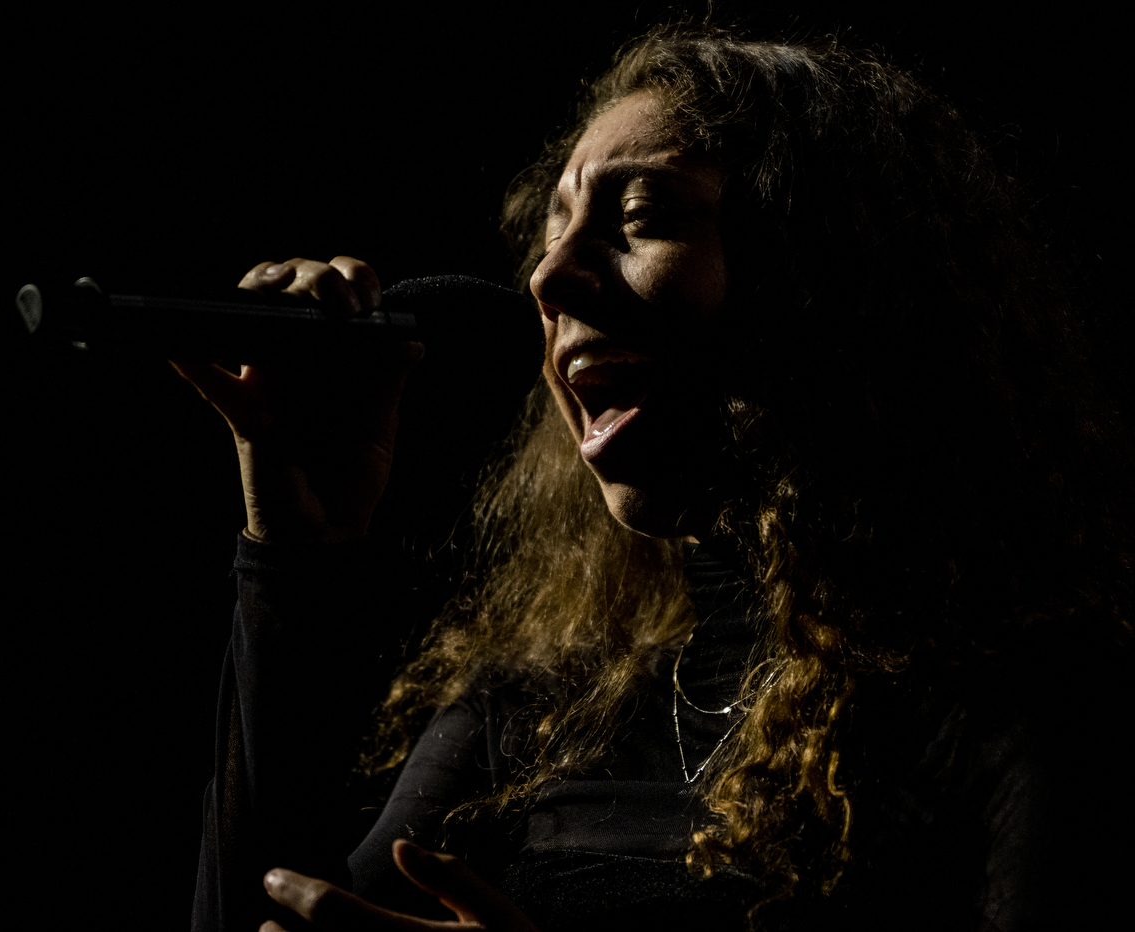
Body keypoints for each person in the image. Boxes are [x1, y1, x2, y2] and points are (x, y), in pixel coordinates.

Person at [172, 22, 1134, 932]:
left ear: (828, 283)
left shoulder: (1027, 699)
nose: (548, 281)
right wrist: (295, 556)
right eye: (552, 232)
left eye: (641, 217)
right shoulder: (547, 704)